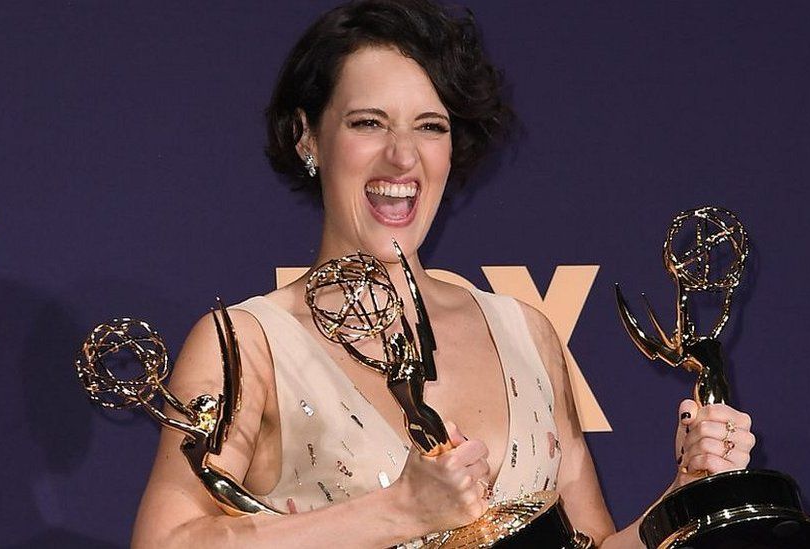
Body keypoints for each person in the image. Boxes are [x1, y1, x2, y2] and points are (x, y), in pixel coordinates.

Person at [132, 1, 755, 547]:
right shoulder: (247, 345)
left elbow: (586, 544)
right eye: (367, 122)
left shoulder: (526, 334)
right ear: (307, 138)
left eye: (430, 127)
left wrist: (685, 497)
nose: (402, 156)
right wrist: (396, 511)